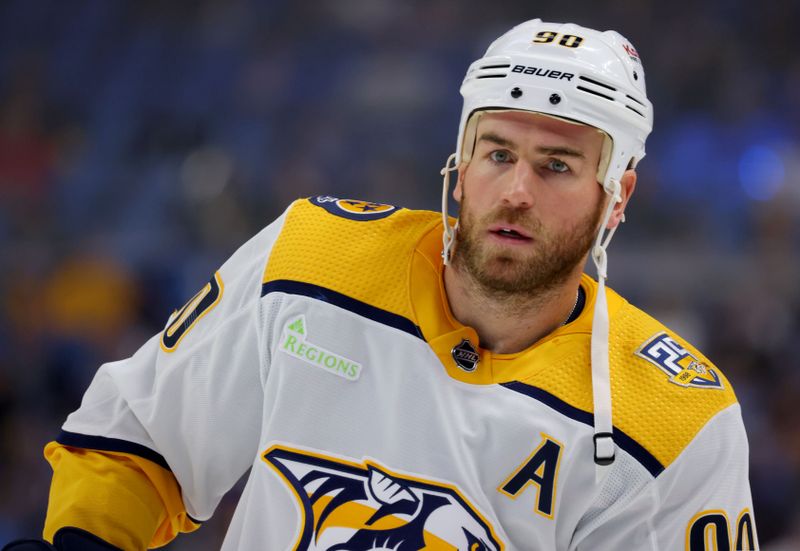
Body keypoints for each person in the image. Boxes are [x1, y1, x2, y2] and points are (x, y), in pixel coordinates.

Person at [4, 18, 757, 551]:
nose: (516, 190)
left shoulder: (677, 421)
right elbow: (142, 438)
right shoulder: (314, 257)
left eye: (557, 166)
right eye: (496, 152)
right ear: (460, 165)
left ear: (616, 197)